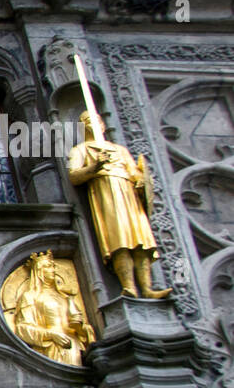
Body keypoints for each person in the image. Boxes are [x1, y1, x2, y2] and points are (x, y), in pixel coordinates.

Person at [66, 111, 170, 299]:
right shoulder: (80, 150)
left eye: (97, 121)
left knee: (140, 242)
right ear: (83, 127)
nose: (94, 124)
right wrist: (95, 167)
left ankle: (147, 288)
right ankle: (128, 285)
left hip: (128, 195)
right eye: (88, 121)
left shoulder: (120, 150)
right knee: (119, 241)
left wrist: (139, 180)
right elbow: (74, 176)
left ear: (103, 125)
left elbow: (134, 172)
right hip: (106, 194)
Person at [10, 251, 94, 366]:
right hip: (51, 346)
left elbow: (83, 328)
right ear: (39, 271)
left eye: (53, 266)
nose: (53, 270)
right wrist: (51, 335)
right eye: (48, 267)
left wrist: (81, 329)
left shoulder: (64, 297)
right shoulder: (30, 296)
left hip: (74, 345)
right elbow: (22, 329)